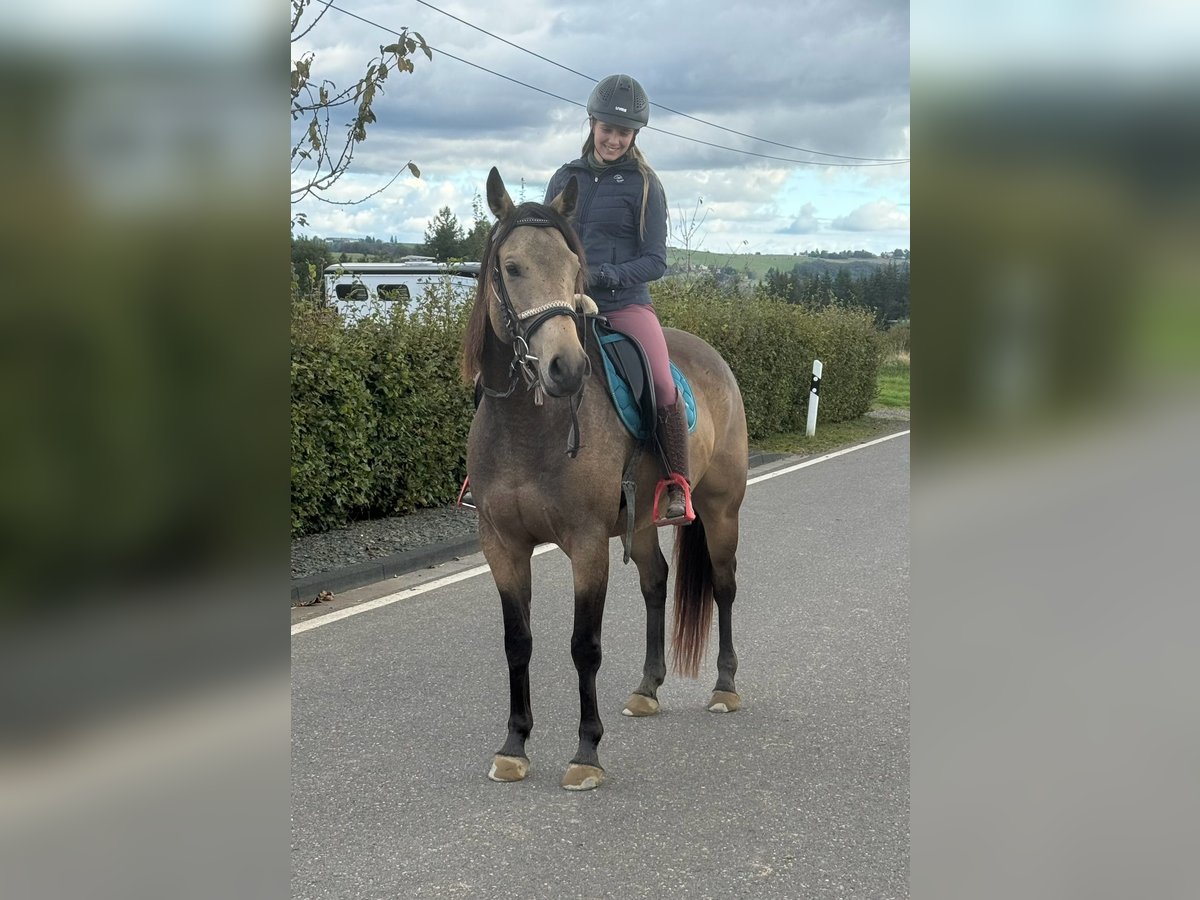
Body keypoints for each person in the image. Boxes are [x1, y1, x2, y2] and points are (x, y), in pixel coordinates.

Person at [544, 73, 691, 525]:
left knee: (663, 385)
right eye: (607, 128)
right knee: (504, 358)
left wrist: (604, 276)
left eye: (622, 132)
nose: (613, 139)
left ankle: (674, 483)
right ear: (592, 123)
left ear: (635, 135)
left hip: (625, 303)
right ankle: (486, 474)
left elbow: (655, 261)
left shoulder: (646, 185)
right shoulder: (565, 177)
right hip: (566, 300)